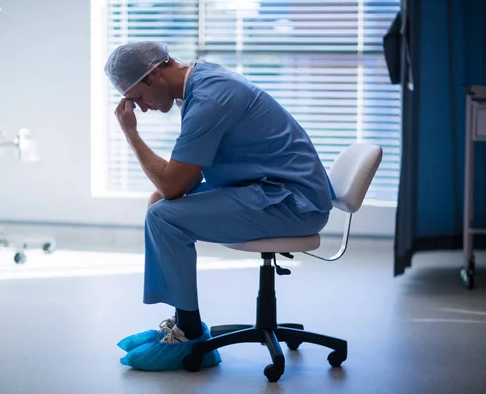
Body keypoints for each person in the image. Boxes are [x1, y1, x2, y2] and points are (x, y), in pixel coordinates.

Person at [104, 41, 336, 371]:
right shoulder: (201, 83)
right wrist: (167, 192)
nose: (139, 108)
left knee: (164, 216)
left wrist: (131, 135)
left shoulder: (211, 98)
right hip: (271, 190)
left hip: (293, 204)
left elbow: (172, 184)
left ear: (154, 74)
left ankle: (189, 331)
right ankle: (187, 324)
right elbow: (182, 178)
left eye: (137, 97)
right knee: (161, 208)